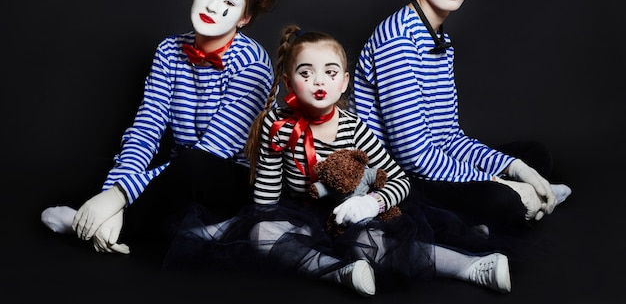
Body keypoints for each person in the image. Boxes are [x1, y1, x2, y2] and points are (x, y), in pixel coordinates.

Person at [164, 25, 513, 297]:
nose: (319, 81)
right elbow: (267, 195)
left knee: (371, 246)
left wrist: (370, 202)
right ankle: (335, 271)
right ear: (288, 81)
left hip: (352, 213)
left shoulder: (354, 129)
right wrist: (259, 222)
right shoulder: (277, 123)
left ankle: (472, 266)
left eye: (331, 72)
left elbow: (400, 181)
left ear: (344, 82)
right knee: (260, 232)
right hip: (300, 209)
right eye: (306, 73)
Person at [40, 0, 282, 258]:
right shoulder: (168, 51)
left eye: (228, 1)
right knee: (85, 175)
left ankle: (90, 227)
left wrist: (120, 196)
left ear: (244, 19)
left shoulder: (252, 64)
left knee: (191, 165)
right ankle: (105, 219)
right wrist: (110, 192)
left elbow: (213, 150)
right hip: (175, 171)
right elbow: (146, 128)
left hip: (227, 177)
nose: (211, 5)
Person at [350, 0, 571, 233]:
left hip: (431, 158)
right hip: (398, 175)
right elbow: (414, 157)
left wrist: (515, 168)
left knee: (534, 156)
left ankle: (529, 191)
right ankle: (515, 201)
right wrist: (493, 180)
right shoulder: (397, 39)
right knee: (501, 199)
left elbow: (449, 136)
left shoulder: (441, 40)